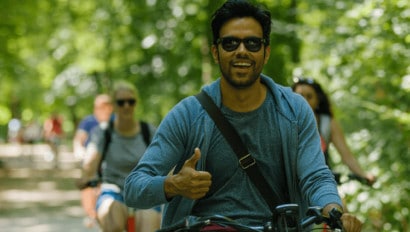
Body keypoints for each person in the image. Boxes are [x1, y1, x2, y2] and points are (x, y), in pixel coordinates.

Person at [124, 1, 362, 231]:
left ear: (266, 52)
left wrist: (333, 211)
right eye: (230, 44)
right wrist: (173, 185)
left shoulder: (295, 110)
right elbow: (134, 188)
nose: (241, 51)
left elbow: (316, 175)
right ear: (216, 52)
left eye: (252, 43)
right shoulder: (187, 115)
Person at [77, 80, 161, 232]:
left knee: (149, 226)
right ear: (114, 106)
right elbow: (90, 163)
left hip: (144, 190)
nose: (126, 106)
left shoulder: (148, 131)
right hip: (112, 190)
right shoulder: (103, 132)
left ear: (136, 103)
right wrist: (87, 175)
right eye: (121, 102)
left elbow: (164, 162)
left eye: (131, 101)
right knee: (112, 218)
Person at [291, 78, 376, 186]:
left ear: (318, 100)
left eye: (309, 96)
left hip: (321, 183)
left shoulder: (327, 123)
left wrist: (363, 174)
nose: (304, 100)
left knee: (338, 203)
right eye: (300, 96)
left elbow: (347, 155)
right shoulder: (283, 122)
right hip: (290, 185)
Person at [73, 94, 113, 228]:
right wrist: (80, 153)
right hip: (91, 158)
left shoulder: (116, 121)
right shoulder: (88, 121)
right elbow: (79, 140)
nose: (103, 109)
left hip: (110, 160)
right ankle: (90, 213)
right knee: (87, 182)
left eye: (106, 106)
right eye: (99, 107)